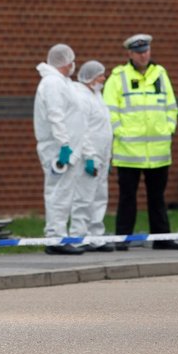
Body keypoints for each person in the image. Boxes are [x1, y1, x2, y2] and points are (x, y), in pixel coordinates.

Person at [103, 34, 178, 250]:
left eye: (146, 51)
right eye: (138, 52)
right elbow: (109, 110)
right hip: (129, 151)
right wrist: (121, 132)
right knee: (127, 199)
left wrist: (168, 128)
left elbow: (171, 107)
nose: (143, 55)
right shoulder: (118, 77)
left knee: (157, 198)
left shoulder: (160, 74)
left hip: (158, 150)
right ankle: (122, 239)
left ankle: (162, 239)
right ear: (130, 54)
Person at [33, 43, 84, 255]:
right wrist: (64, 145)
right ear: (66, 62)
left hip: (66, 148)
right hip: (57, 148)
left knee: (63, 193)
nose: (74, 64)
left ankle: (59, 235)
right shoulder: (52, 83)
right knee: (58, 194)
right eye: (72, 60)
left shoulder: (61, 82)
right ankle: (55, 238)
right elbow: (56, 116)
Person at [70, 60, 114, 252]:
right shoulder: (81, 97)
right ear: (90, 77)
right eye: (100, 75)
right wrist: (89, 156)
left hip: (102, 156)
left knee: (99, 197)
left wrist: (108, 157)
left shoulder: (97, 95)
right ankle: (78, 236)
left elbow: (103, 128)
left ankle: (96, 235)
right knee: (83, 197)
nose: (103, 78)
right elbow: (83, 130)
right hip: (89, 156)